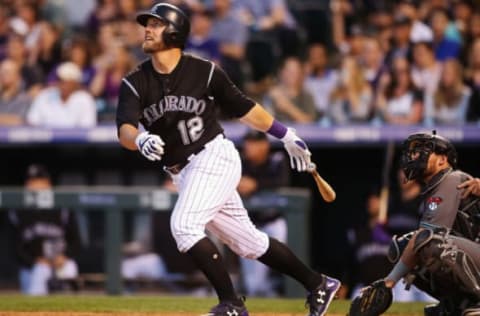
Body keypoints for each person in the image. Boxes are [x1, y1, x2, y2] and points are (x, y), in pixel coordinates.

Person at [116, 3, 340, 316]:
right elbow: (124, 129)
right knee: (250, 243)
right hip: (184, 173)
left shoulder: (203, 70)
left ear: (175, 31)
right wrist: (139, 138)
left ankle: (232, 303)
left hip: (213, 157)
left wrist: (285, 134)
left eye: (156, 24)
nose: (147, 29)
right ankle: (318, 283)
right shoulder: (135, 81)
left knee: (184, 226)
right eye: (147, 24)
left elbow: (245, 108)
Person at [351, 131, 480, 315]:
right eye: (414, 151)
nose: (415, 156)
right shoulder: (435, 187)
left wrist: (389, 282)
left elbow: (426, 236)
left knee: (426, 241)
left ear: (442, 160)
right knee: (403, 247)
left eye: (424, 150)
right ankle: (458, 304)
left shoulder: (451, 178)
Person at [8, 164, 80, 295]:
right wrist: (35, 261)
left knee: (69, 266)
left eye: (38, 181)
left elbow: (76, 242)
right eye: (30, 181)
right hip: (32, 268)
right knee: (41, 270)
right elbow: (14, 247)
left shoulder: (62, 207)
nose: (34, 185)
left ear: (48, 183)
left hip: (60, 263)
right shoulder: (17, 210)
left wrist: (64, 256)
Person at [237, 130, 289, 297]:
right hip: (251, 227)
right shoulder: (240, 162)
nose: (248, 146)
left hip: (273, 223)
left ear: (264, 145)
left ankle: (277, 284)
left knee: (280, 254)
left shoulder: (276, 160)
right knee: (254, 284)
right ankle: (267, 291)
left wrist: (256, 184)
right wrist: (238, 183)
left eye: (253, 142)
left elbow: (282, 182)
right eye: (248, 142)